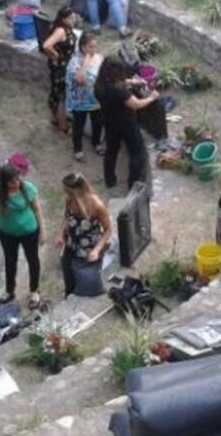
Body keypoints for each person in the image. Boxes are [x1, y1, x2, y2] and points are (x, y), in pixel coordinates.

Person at [0, 163, 45, 308]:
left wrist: (43, 230)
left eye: (18, 179)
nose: (16, 183)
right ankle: (9, 291)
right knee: (10, 261)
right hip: (7, 233)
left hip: (29, 231)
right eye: (12, 182)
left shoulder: (28, 188)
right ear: (4, 182)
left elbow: (37, 209)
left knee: (33, 259)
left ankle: (34, 290)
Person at [95, 58, 159, 190]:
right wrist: (151, 98)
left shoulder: (99, 85)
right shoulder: (119, 91)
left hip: (109, 122)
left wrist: (133, 82)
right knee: (137, 152)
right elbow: (136, 104)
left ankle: (110, 180)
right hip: (126, 124)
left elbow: (118, 84)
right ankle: (133, 183)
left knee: (111, 151)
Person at [54, 172, 113, 297]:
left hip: (88, 249)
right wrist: (60, 233)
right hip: (71, 246)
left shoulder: (97, 206)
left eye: (69, 192)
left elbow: (108, 229)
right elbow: (66, 217)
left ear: (78, 191)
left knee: (87, 281)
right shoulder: (69, 200)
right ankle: (69, 297)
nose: (67, 195)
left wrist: (97, 250)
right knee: (69, 279)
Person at [66, 31, 105, 162]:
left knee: (97, 123)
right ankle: (78, 149)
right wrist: (86, 62)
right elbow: (80, 80)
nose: (94, 49)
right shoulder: (75, 61)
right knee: (79, 125)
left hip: (96, 99)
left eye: (95, 46)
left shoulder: (99, 58)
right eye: (90, 47)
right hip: (80, 100)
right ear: (83, 47)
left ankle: (96, 143)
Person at [42, 6, 79, 133]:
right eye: (70, 18)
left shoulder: (67, 29)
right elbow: (46, 46)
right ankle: (62, 125)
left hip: (65, 65)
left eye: (74, 17)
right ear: (63, 19)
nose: (73, 20)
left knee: (59, 94)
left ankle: (56, 118)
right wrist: (56, 55)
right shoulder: (60, 31)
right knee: (60, 96)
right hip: (60, 69)